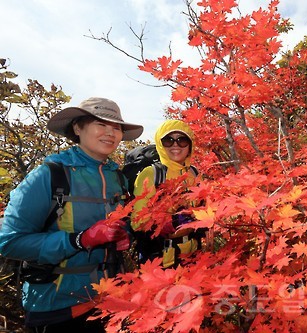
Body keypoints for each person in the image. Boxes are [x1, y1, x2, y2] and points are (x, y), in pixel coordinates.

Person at [0, 97, 143, 332]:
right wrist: (80, 239)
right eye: (101, 124)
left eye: (116, 127)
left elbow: (118, 223)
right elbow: (10, 242)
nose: (110, 133)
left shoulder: (117, 179)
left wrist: (122, 234)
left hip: (106, 300)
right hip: (57, 307)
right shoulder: (49, 175)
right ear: (78, 128)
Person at [132, 119, 203, 268]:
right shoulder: (151, 174)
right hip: (160, 259)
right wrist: (167, 224)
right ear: (160, 144)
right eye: (168, 140)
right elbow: (137, 222)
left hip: (193, 256)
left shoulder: (194, 173)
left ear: (190, 145)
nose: (175, 145)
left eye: (182, 140)